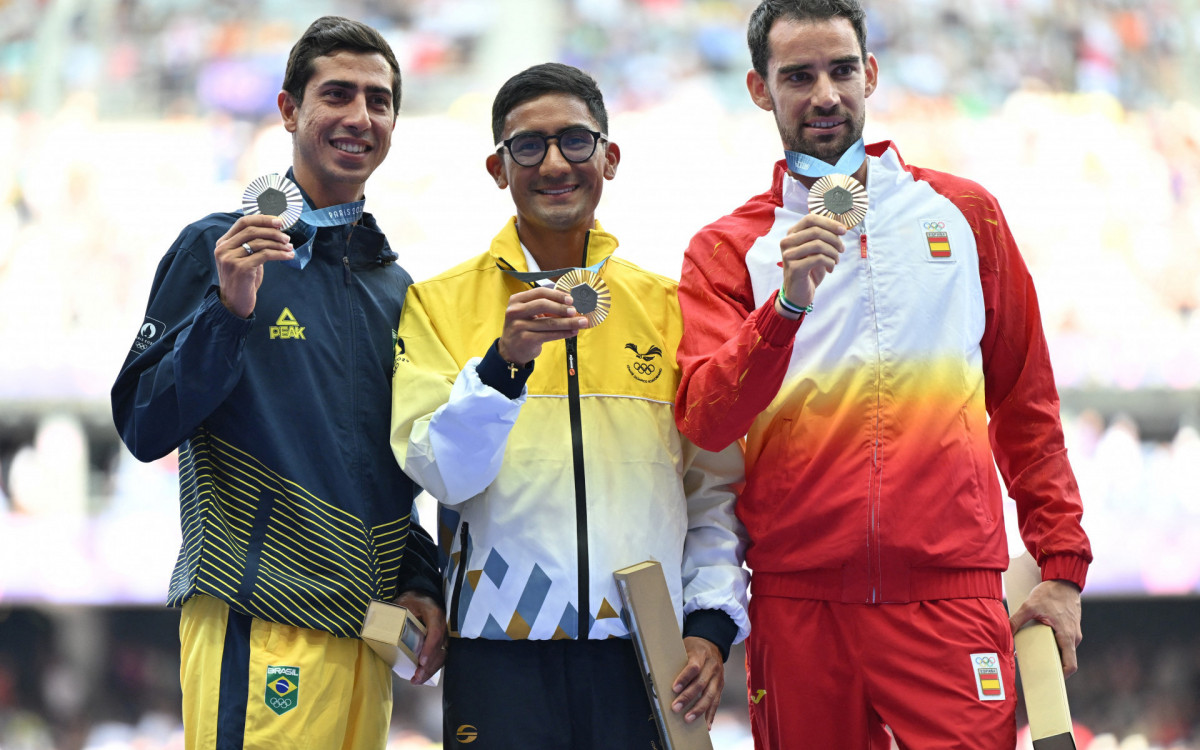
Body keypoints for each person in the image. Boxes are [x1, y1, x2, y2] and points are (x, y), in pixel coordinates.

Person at [673, 1, 1093, 748]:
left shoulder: (967, 215)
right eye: (798, 76)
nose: (825, 94)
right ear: (759, 89)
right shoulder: (727, 249)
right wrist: (786, 308)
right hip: (799, 604)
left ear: (869, 73)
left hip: (949, 595)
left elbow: (1027, 404)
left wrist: (1060, 568)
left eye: (840, 70)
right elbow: (705, 418)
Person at [389, 62, 750, 749]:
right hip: (499, 648)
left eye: (575, 141)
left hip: (646, 652)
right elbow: (442, 475)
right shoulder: (435, 305)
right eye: (529, 146)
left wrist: (709, 626)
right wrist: (502, 366)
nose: (554, 162)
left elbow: (713, 487)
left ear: (609, 157)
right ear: (498, 168)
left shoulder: (670, 309)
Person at [111, 16, 445, 749]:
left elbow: (390, 463)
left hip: (367, 632)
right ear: (290, 110)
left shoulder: (394, 284)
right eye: (338, 95)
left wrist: (420, 573)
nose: (361, 116)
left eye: (380, 100)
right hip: (260, 618)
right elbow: (142, 425)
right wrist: (227, 314)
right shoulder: (216, 246)